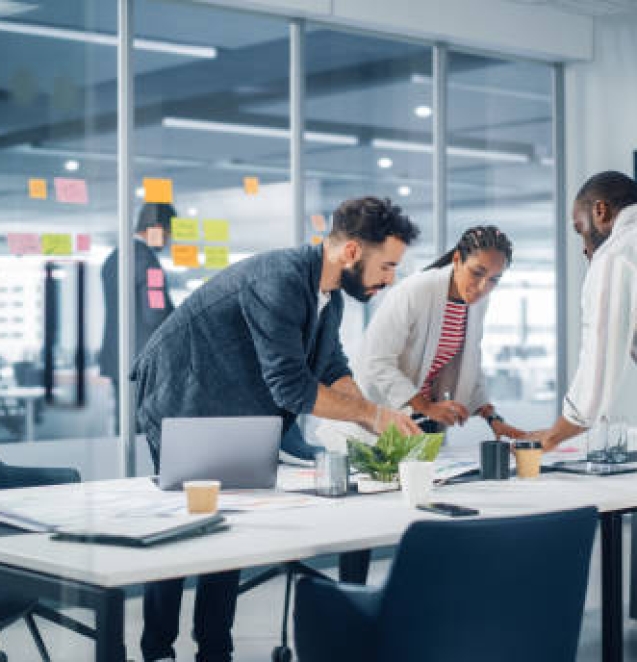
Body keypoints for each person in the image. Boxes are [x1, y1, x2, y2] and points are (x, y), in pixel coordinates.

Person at [131, 196, 422, 662]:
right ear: (351, 253)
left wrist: (373, 414)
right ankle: (157, 650)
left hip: (231, 405)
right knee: (181, 527)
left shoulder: (327, 299)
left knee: (228, 523)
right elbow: (290, 386)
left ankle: (214, 649)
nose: (390, 280)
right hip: (181, 395)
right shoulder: (282, 279)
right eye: (386, 266)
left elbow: (330, 367)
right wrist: (372, 416)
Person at [317, 224, 525, 452]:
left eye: (495, 279)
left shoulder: (476, 303)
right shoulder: (416, 290)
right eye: (477, 272)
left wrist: (493, 418)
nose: (483, 287)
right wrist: (425, 406)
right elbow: (377, 361)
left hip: (418, 423)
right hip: (372, 421)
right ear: (457, 260)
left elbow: (470, 363)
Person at [526, 171, 637, 451]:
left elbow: (598, 369)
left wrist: (552, 437)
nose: (583, 248)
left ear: (600, 211)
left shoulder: (616, 254)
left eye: (580, 229)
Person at [99, 203, 175, 433]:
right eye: (169, 234)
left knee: (126, 424)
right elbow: (155, 313)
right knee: (145, 426)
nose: (168, 241)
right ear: (157, 228)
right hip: (145, 361)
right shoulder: (147, 261)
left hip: (118, 357)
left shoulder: (114, 257)